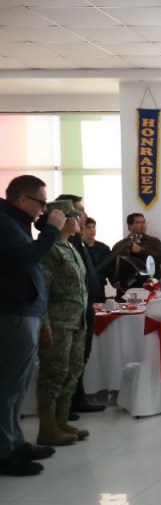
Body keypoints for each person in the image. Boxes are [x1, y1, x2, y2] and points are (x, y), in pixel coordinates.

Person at [0, 175, 65, 476]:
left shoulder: (17, 224)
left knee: (18, 384)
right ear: (23, 200)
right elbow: (26, 258)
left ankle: (15, 443)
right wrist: (51, 230)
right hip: (13, 311)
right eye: (41, 203)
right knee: (8, 386)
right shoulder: (4, 223)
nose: (44, 209)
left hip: (26, 311)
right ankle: (5, 452)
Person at [36, 200, 90, 447]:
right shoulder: (51, 250)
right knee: (53, 373)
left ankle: (62, 421)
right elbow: (43, 290)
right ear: (62, 219)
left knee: (72, 371)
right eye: (75, 216)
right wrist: (44, 323)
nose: (80, 220)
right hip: (57, 322)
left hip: (76, 321)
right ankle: (47, 428)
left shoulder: (70, 247)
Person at [54, 194, 106, 418]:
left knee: (80, 358)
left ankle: (77, 399)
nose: (84, 216)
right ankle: (66, 406)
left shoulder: (75, 241)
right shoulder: (62, 242)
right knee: (67, 361)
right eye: (80, 211)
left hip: (85, 306)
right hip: (69, 310)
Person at [109, 212, 161, 282]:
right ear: (129, 226)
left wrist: (141, 251)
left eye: (144, 222)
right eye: (138, 223)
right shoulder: (119, 245)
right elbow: (111, 265)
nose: (143, 225)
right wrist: (113, 281)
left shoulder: (154, 241)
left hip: (150, 283)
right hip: (126, 284)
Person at [81, 217, 112, 284]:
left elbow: (110, 267)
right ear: (82, 230)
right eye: (88, 227)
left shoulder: (104, 248)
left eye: (94, 227)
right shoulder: (79, 247)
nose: (92, 230)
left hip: (100, 284)